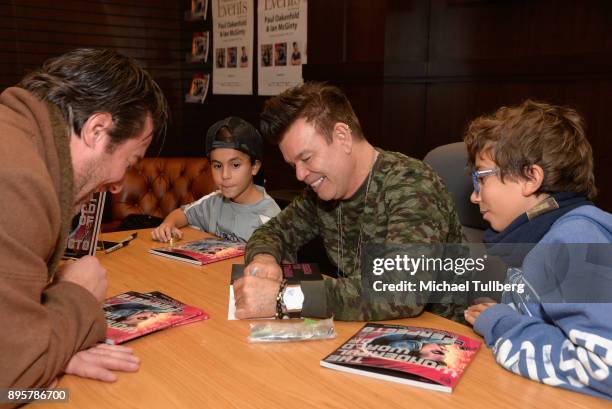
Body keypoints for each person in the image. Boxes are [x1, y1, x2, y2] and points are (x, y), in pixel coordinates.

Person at [0, 48, 169, 392]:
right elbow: (10, 378)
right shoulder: (20, 182)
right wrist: (79, 296)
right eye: (131, 160)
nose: (120, 183)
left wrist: (52, 348)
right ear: (96, 130)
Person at [233, 82, 463, 321]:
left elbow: (401, 291)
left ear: (342, 136)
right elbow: (273, 231)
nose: (300, 175)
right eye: (294, 165)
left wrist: (285, 298)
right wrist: (264, 259)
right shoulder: (322, 192)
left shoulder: (412, 184)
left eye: (306, 158)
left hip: (440, 334)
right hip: (365, 325)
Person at [462, 100, 612, 399]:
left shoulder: (574, 241)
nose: (473, 196)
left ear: (531, 178)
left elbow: (603, 369)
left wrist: (501, 323)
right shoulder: (542, 238)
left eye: (481, 178)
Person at [151, 117, 281, 243]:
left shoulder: (270, 218)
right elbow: (183, 213)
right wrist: (168, 225)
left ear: (254, 167)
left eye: (235, 165)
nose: (224, 175)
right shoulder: (214, 202)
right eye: (217, 166)